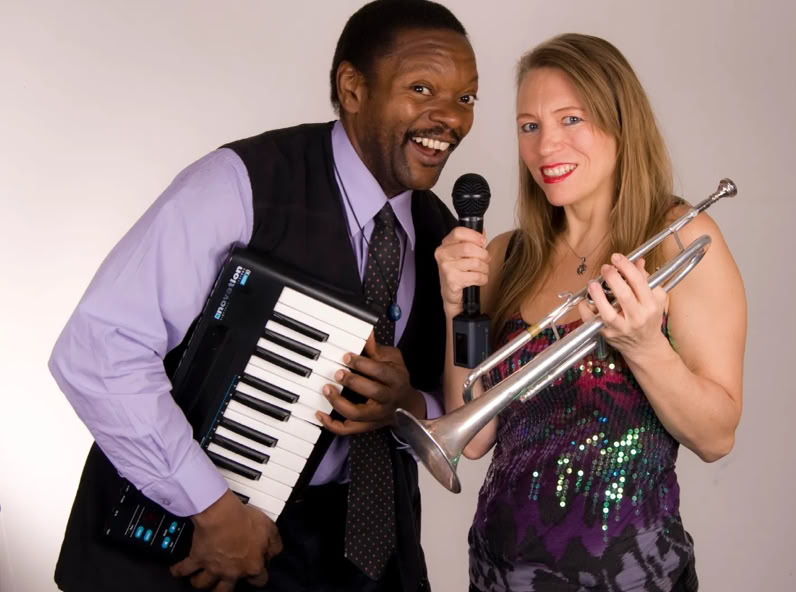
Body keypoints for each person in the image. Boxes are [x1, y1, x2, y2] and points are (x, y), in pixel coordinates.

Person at [48, 2, 479, 591]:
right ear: (352, 88)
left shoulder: (444, 237)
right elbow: (99, 350)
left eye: (466, 97)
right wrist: (212, 509)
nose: (450, 117)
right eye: (421, 88)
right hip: (187, 543)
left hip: (362, 561)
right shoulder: (237, 183)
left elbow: (450, 412)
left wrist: (403, 403)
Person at [435, 34, 746, 591]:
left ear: (621, 122)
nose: (546, 145)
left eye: (571, 119)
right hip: (496, 577)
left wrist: (646, 346)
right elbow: (473, 439)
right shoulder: (506, 254)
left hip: (633, 579)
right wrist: (458, 306)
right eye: (529, 126)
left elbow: (716, 436)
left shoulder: (679, 239)